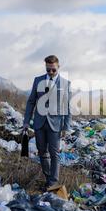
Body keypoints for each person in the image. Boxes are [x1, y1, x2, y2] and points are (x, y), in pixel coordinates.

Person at [23, 55, 72, 191]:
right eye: (48, 70)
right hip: (39, 123)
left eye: (53, 70)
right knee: (42, 152)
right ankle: (48, 178)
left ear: (58, 67)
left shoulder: (65, 84)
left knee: (54, 153)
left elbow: (67, 107)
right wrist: (26, 121)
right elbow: (31, 101)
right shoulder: (37, 80)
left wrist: (66, 127)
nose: (50, 73)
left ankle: (53, 183)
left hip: (55, 124)